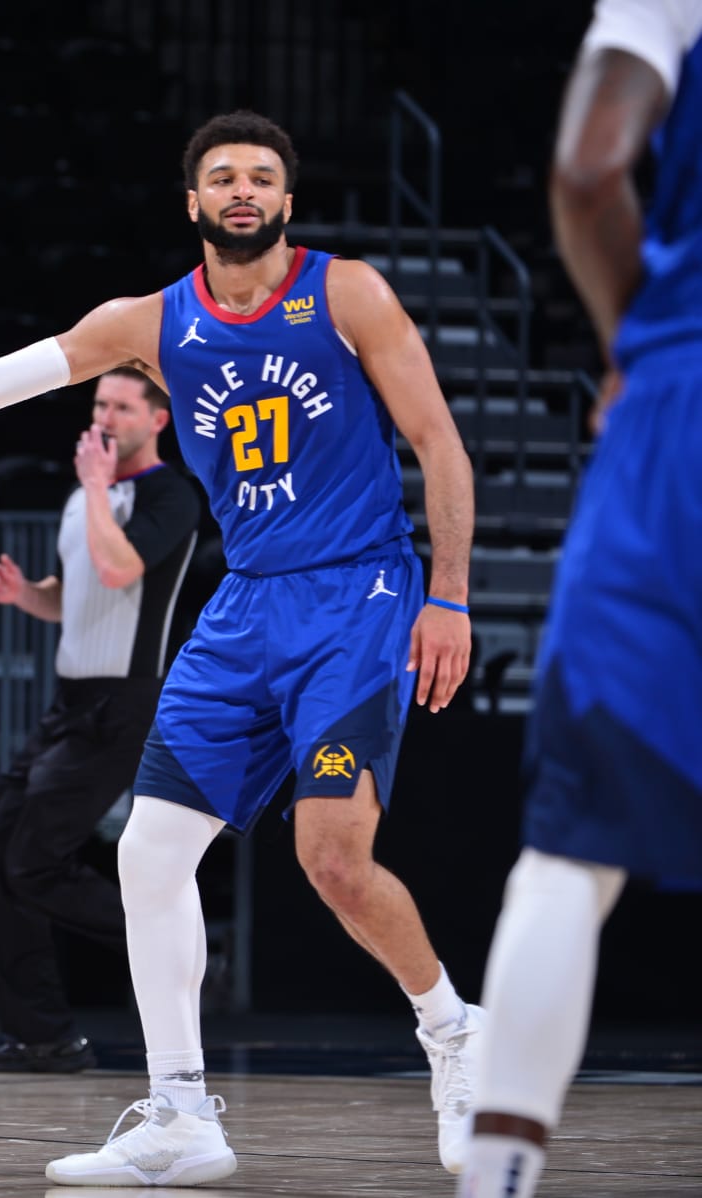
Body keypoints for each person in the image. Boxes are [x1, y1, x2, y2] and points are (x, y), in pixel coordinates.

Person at [0, 110, 482, 1186]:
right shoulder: (149, 321)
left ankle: (451, 1029)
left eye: (263, 176)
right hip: (246, 605)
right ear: (194, 203)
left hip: (357, 592)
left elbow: (439, 440)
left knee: (331, 859)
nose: (244, 190)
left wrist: (447, 594)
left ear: (288, 200)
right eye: (224, 176)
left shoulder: (344, 291)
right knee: (148, 857)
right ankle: (182, 1114)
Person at [458, 5, 702, 1197]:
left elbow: (590, 169)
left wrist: (633, 350)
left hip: (684, 406)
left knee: (569, 851)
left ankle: (497, 1179)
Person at [0, 367, 200, 1075]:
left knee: (34, 863)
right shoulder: (86, 497)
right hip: (68, 702)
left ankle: (186, 948)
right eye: (100, 402)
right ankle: (43, 1035)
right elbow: (73, 597)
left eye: (123, 406)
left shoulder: (170, 495)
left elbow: (118, 571)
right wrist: (24, 595)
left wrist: (99, 488)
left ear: (157, 419)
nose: (106, 416)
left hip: (124, 704)